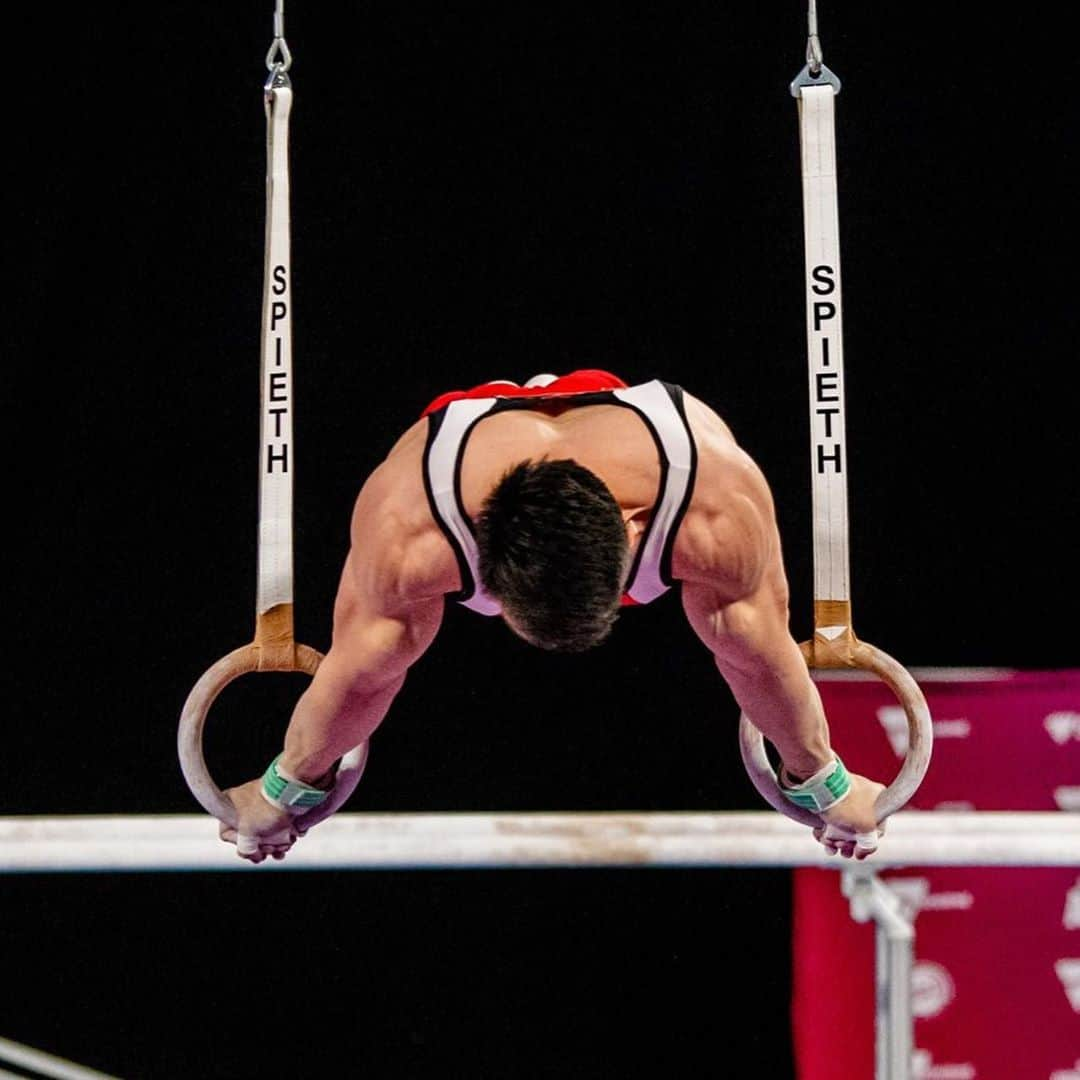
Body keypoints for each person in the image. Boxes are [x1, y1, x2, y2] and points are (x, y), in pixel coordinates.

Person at [218, 369, 886, 863]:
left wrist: (824, 779)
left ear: (634, 531)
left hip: (638, 455)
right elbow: (357, 679)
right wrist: (286, 788)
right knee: (379, 646)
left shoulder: (717, 507)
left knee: (741, 626)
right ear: (482, 564)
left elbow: (761, 658)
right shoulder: (409, 530)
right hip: (467, 449)